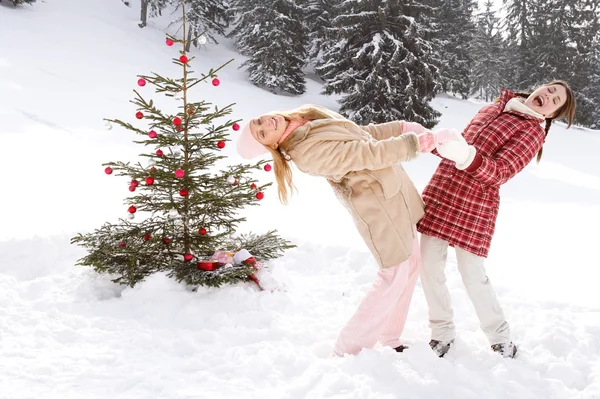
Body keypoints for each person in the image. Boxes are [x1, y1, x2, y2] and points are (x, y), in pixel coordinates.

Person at [236, 104, 452, 356]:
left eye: (258, 121)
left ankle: (390, 337)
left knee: (412, 264)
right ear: (271, 147)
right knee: (393, 273)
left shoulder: (306, 118)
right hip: (378, 205)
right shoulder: (306, 152)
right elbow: (366, 153)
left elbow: (359, 133)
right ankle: (348, 351)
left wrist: (401, 128)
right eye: (261, 133)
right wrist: (416, 143)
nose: (266, 124)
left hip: (394, 189)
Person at [417, 81, 576, 358]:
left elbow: (501, 172)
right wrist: (432, 143)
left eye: (556, 100)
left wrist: (467, 156)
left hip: (475, 204)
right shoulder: (493, 107)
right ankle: (442, 333)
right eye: (549, 90)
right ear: (538, 88)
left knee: (473, 276)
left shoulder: (532, 132)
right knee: (429, 268)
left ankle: (500, 338)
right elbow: (459, 142)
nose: (548, 96)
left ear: (552, 114)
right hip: (443, 190)